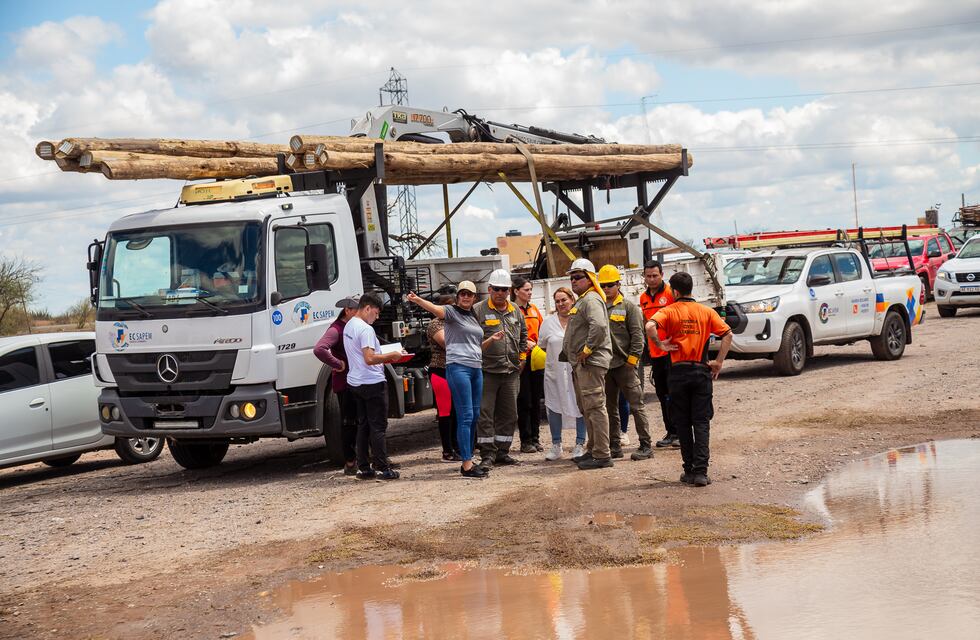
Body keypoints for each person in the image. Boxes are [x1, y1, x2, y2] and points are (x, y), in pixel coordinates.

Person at [646, 272, 733, 487]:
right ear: (691, 288)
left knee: (683, 423)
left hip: (678, 372)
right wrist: (718, 362)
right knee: (701, 422)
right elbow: (728, 335)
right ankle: (701, 473)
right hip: (701, 370)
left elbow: (649, 327)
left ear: (674, 291)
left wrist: (660, 344)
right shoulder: (706, 311)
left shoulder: (669, 311)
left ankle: (689, 469)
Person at [407, 282, 502, 478]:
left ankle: (469, 458)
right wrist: (417, 300)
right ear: (458, 296)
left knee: (475, 415)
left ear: (474, 298)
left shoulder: (473, 317)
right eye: (463, 294)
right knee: (465, 416)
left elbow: (476, 347)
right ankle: (466, 464)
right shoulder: (451, 312)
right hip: (458, 368)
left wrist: (491, 340)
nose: (466, 297)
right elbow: (435, 309)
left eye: (470, 294)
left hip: (476, 368)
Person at [343, 294, 409, 481]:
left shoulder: (349, 325)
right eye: (377, 313)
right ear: (367, 308)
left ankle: (363, 467)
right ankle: (382, 467)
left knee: (363, 425)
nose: (377, 317)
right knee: (378, 426)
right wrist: (392, 356)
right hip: (372, 382)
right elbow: (370, 358)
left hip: (356, 381)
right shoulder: (366, 330)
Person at [596, 264, 654, 462]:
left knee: (637, 405)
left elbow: (639, 336)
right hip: (606, 366)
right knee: (610, 408)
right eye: (602, 285)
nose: (606, 289)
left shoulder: (629, 307)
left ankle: (646, 445)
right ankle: (614, 445)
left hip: (626, 366)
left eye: (609, 285)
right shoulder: (599, 306)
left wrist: (632, 360)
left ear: (618, 284)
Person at [561, 258, 613, 470]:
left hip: (590, 362)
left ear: (590, 279)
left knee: (594, 406)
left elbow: (599, 326)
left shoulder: (591, 299)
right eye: (572, 277)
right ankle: (593, 449)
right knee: (587, 407)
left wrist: (587, 350)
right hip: (582, 364)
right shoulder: (583, 299)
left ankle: (602, 454)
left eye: (578, 277)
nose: (574, 281)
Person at [473, 268, 528, 471]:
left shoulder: (515, 310)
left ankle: (502, 452)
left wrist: (522, 359)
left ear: (510, 291)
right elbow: (472, 340)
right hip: (487, 371)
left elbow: (523, 336)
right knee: (485, 413)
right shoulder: (478, 310)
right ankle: (487, 454)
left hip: (511, 371)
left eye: (504, 289)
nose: (500, 293)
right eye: (496, 289)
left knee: (509, 414)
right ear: (489, 289)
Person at [313, 296, 360, 475]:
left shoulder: (351, 327)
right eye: (356, 310)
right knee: (349, 422)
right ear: (347, 310)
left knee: (360, 420)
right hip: (346, 382)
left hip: (355, 380)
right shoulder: (336, 329)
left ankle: (361, 458)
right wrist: (338, 363)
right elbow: (319, 349)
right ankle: (350, 460)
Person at [538, 287, 586, 461]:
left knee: (580, 406)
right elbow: (543, 345)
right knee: (553, 406)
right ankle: (556, 445)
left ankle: (580, 443)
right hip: (555, 373)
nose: (560, 304)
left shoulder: (580, 319)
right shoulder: (548, 323)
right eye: (557, 301)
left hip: (577, 371)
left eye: (563, 300)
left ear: (572, 299)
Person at [639, 260, 678, 448]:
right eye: (648, 276)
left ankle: (680, 432)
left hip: (672, 353)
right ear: (644, 277)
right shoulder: (643, 298)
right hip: (656, 353)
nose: (652, 279)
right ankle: (671, 431)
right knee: (662, 394)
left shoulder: (671, 294)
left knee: (675, 392)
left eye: (655, 275)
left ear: (662, 274)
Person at [426, 294, 461, 463]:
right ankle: (447, 451)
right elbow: (446, 343)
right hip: (440, 370)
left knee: (456, 411)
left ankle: (456, 446)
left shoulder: (455, 322)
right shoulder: (435, 324)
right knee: (445, 412)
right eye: (449, 306)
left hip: (455, 370)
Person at [512, 277, 545, 453]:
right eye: (526, 289)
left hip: (536, 358)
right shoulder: (511, 310)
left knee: (536, 400)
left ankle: (535, 438)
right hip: (520, 359)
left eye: (531, 289)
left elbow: (542, 329)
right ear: (516, 291)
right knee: (524, 400)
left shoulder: (534, 309)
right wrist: (524, 344)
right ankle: (525, 440)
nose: (530, 293)